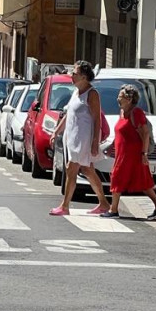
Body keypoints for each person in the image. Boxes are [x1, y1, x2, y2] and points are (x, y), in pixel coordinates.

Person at [49, 61, 111, 217]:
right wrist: (56, 131)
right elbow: (69, 113)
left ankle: (65, 206)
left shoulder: (92, 94)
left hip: (84, 139)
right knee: (88, 170)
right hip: (73, 138)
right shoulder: (76, 92)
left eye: (75, 73)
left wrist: (95, 143)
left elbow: (97, 120)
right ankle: (103, 203)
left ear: (84, 77)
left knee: (71, 168)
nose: (72, 76)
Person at [102, 84, 156, 220]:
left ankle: (113, 209)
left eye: (120, 97)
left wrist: (144, 154)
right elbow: (121, 133)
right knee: (142, 181)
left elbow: (145, 133)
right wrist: (111, 146)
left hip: (132, 155)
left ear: (129, 99)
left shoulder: (136, 113)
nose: (117, 99)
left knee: (117, 176)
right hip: (122, 153)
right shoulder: (122, 113)